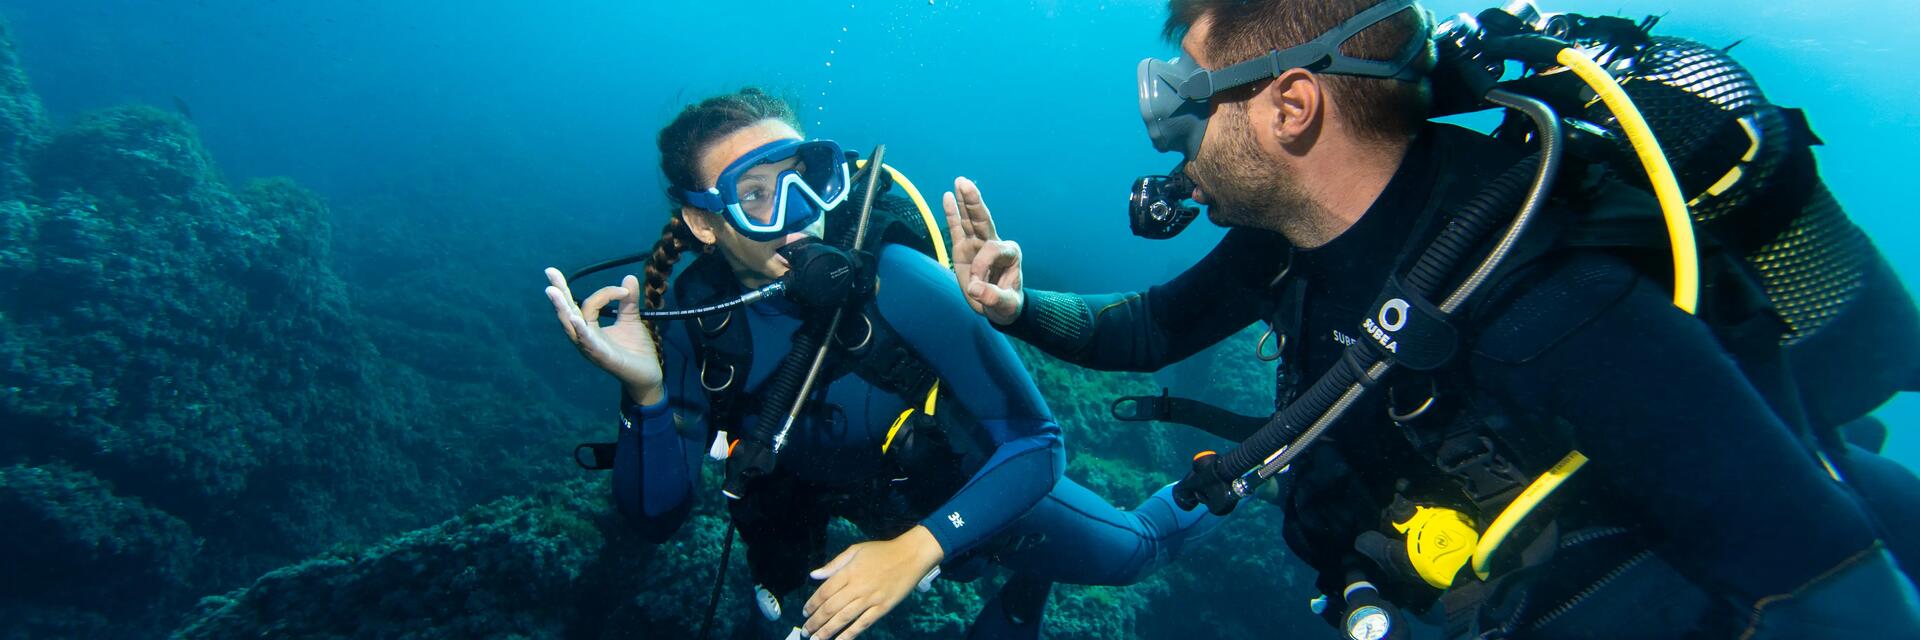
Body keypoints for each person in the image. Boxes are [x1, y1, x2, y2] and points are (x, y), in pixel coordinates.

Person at [942, 1, 1920, 638]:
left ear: (1291, 107)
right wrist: (1013, 305)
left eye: (1183, 106)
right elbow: (1149, 327)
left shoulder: (1548, 293)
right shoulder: (1290, 240)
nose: (1171, 143)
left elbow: (1834, 591)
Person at [541, 88, 1220, 640]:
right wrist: (645, 394)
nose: (797, 215)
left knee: (1136, 552)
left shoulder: (894, 278)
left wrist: (915, 550)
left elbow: (1039, 443)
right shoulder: (696, 320)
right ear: (702, 222)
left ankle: (1233, 474)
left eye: (805, 179)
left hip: (960, 486)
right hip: (824, 502)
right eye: (755, 195)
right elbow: (655, 519)